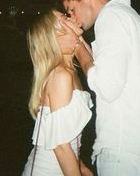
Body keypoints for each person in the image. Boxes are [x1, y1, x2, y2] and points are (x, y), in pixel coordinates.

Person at [57, 0, 140, 176]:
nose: (72, 17)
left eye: (72, 9)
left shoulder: (111, 18)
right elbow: (105, 70)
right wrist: (79, 42)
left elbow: (106, 86)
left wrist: (78, 49)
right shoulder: (127, 16)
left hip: (123, 150)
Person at [22, 10, 94, 176]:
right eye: (65, 18)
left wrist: (82, 168)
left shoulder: (70, 72)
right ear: (55, 36)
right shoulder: (61, 76)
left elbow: (66, 137)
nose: (73, 18)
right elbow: (60, 146)